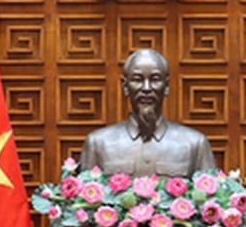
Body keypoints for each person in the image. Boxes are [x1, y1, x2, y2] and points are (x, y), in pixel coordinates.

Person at [79, 48, 217, 177]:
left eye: (155, 79)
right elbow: (85, 192)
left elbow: (211, 193)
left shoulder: (194, 143)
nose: (146, 88)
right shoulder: (98, 143)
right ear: (125, 86)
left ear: (166, 86)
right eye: (137, 80)